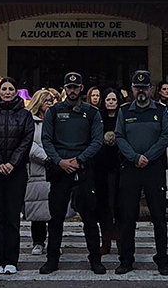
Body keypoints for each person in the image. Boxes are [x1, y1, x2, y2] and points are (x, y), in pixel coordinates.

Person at [40, 72, 105, 275]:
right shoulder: (54, 112)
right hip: (60, 170)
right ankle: (52, 259)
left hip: (83, 169)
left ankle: (95, 259)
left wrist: (79, 160)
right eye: (69, 87)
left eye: (76, 87)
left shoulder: (92, 112)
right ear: (64, 88)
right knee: (56, 217)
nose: (72, 90)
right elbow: (46, 140)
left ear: (82, 88)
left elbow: (97, 141)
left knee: (89, 218)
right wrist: (60, 161)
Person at [113, 71, 168, 275]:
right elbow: (119, 136)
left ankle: (162, 260)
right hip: (131, 168)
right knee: (128, 216)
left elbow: (166, 136)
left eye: (145, 87)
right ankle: (126, 260)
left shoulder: (161, 110)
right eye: (137, 87)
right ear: (132, 89)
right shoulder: (124, 111)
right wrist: (134, 157)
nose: (141, 91)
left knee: (158, 216)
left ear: (151, 89)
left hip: (154, 168)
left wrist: (147, 155)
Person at [0, 77, 35, 274]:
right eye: (4, 89)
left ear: (15, 91)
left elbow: (27, 140)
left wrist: (12, 163)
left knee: (12, 218)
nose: (7, 92)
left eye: (11, 89)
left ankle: (11, 260)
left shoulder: (25, 115)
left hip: (16, 172)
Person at [23, 88, 57, 256]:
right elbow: (28, 143)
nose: (50, 103)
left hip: (55, 167)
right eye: (46, 101)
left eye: (51, 100)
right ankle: (38, 241)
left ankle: (54, 242)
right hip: (37, 169)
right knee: (37, 206)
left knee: (54, 207)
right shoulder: (30, 121)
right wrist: (46, 157)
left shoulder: (56, 120)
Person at [93, 87, 123, 256]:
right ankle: (105, 238)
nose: (111, 103)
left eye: (114, 100)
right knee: (104, 205)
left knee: (119, 205)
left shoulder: (123, 118)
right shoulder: (98, 119)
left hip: (120, 167)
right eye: (108, 100)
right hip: (101, 168)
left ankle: (120, 239)